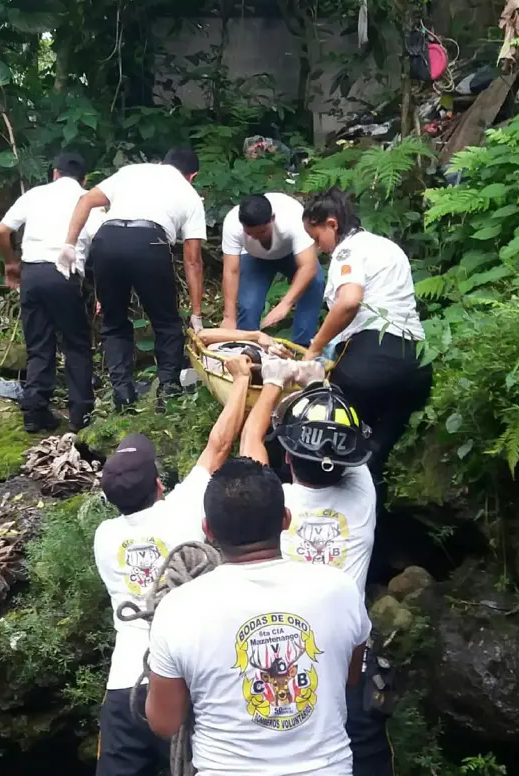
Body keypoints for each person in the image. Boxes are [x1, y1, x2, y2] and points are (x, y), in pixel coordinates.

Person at [144, 454, 372, 776]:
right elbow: (350, 677)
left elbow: (165, 723)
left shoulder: (177, 609)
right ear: (286, 519)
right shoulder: (342, 590)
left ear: (207, 530)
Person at [93, 357, 255, 776]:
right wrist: (241, 380)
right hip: (178, 681)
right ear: (159, 484)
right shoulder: (182, 513)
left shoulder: (105, 538)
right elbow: (219, 445)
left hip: (123, 685)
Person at [240, 360, 394, 775]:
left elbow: (251, 439)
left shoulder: (270, 504)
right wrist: (318, 382)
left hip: (289, 670)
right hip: (351, 670)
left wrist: (272, 380)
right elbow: (346, 445)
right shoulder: (362, 500)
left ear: (287, 459)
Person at [301, 188, 432, 507]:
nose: (318, 248)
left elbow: (349, 302)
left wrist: (314, 349)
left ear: (331, 224)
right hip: (416, 366)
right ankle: (375, 531)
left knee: (322, 441)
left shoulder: (348, 251)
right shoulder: (386, 247)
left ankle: (320, 520)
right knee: (371, 461)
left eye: (316, 238)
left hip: (373, 362)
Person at [62, 148, 206, 412]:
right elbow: (193, 260)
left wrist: (69, 245)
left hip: (107, 239)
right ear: (192, 176)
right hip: (149, 243)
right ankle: (168, 390)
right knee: (166, 321)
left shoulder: (131, 172)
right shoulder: (191, 195)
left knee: (113, 321)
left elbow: (85, 202)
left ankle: (122, 394)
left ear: (162, 162)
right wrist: (196, 313)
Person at [0, 151, 96, 434]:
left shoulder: (35, 195)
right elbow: (100, 240)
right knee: (76, 344)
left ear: (55, 173)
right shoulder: (89, 200)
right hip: (64, 275)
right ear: (84, 178)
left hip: (33, 274)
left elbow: (1, 231)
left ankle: (35, 412)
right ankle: (80, 416)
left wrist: (11, 264)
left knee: (39, 344)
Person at [220, 193, 325, 347]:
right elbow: (231, 271)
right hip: (253, 257)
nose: (255, 237)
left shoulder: (293, 218)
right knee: (249, 304)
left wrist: (285, 304)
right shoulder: (232, 224)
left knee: (315, 282)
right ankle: (246, 349)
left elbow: (308, 267)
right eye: (250, 234)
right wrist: (229, 316)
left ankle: (301, 347)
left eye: (261, 232)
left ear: (272, 219)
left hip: (291, 253)